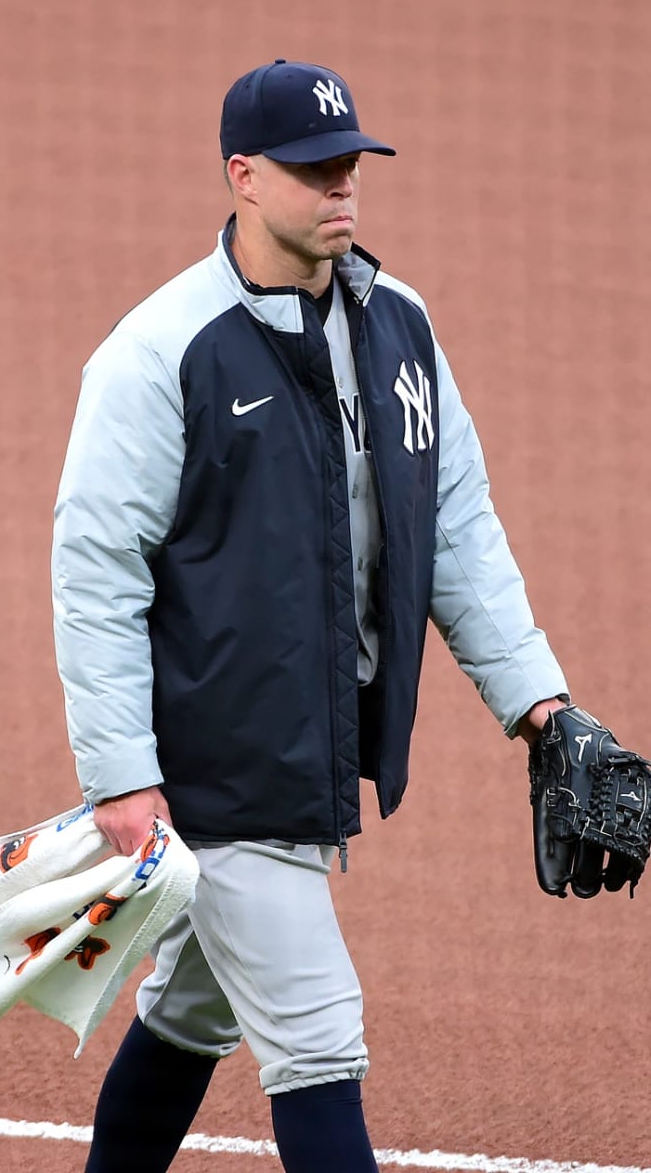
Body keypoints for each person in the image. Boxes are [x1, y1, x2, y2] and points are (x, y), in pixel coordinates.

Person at [50, 60, 573, 1172]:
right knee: (319, 1037)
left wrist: (541, 707)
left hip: (310, 747)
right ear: (243, 174)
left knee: (192, 1013)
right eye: (312, 169)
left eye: (350, 165)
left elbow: (457, 527)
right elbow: (97, 571)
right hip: (220, 761)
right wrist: (119, 776)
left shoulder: (400, 327)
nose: (341, 187)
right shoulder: (161, 352)